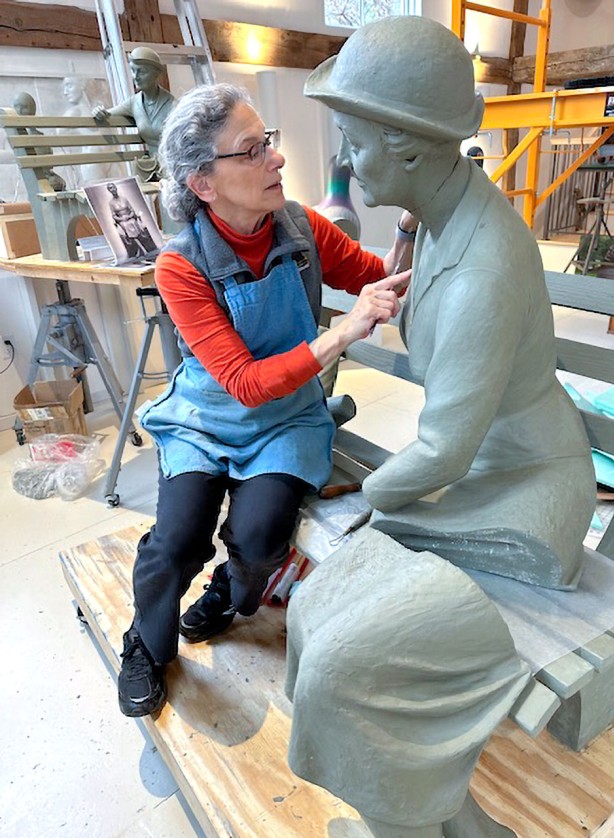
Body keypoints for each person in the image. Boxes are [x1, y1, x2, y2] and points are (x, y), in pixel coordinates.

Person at [285, 15, 597, 838]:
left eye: (353, 140)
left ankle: (414, 825)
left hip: (525, 494)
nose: (345, 161)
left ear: (414, 149)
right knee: (318, 616)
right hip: (474, 475)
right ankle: (438, 819)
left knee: (348, 662)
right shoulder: (436, 218)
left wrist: (362, 495)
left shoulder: (483, 265)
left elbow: (443, 448)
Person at [116, 81, 415, 719]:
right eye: (251, 151)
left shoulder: (302, 228)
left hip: (285, 422)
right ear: (204, 183)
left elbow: (378, 277)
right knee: (177, 540)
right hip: (207, 417)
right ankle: (144, 643)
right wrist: (341, 332)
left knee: (257, 542)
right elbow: (244, 382)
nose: (275, 160)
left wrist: (414, 224)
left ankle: (231, 591)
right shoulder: (181, 266)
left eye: (268, 144)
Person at [93, 47, 175, 181]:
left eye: (142, 71)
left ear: (156, 73)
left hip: (173, 166)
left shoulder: (172, 105)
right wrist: (99, 112)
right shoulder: (134, 103)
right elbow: (108, 113)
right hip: (151, 167)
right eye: (133, 70)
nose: (136, 76)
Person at [106, 181, 158, 257]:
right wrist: (122, 218)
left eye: (113, 187)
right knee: (126, 225)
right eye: (110, 188)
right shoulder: (111, 203)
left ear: (116, 188)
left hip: (130, 218)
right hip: (122, 221)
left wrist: (129, 216)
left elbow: (132, 210)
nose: (113, 189)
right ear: (109, 191)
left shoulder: (124, 199)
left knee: (133, 223)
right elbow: (114, 216)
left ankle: (147, 248)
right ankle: (139, 251)